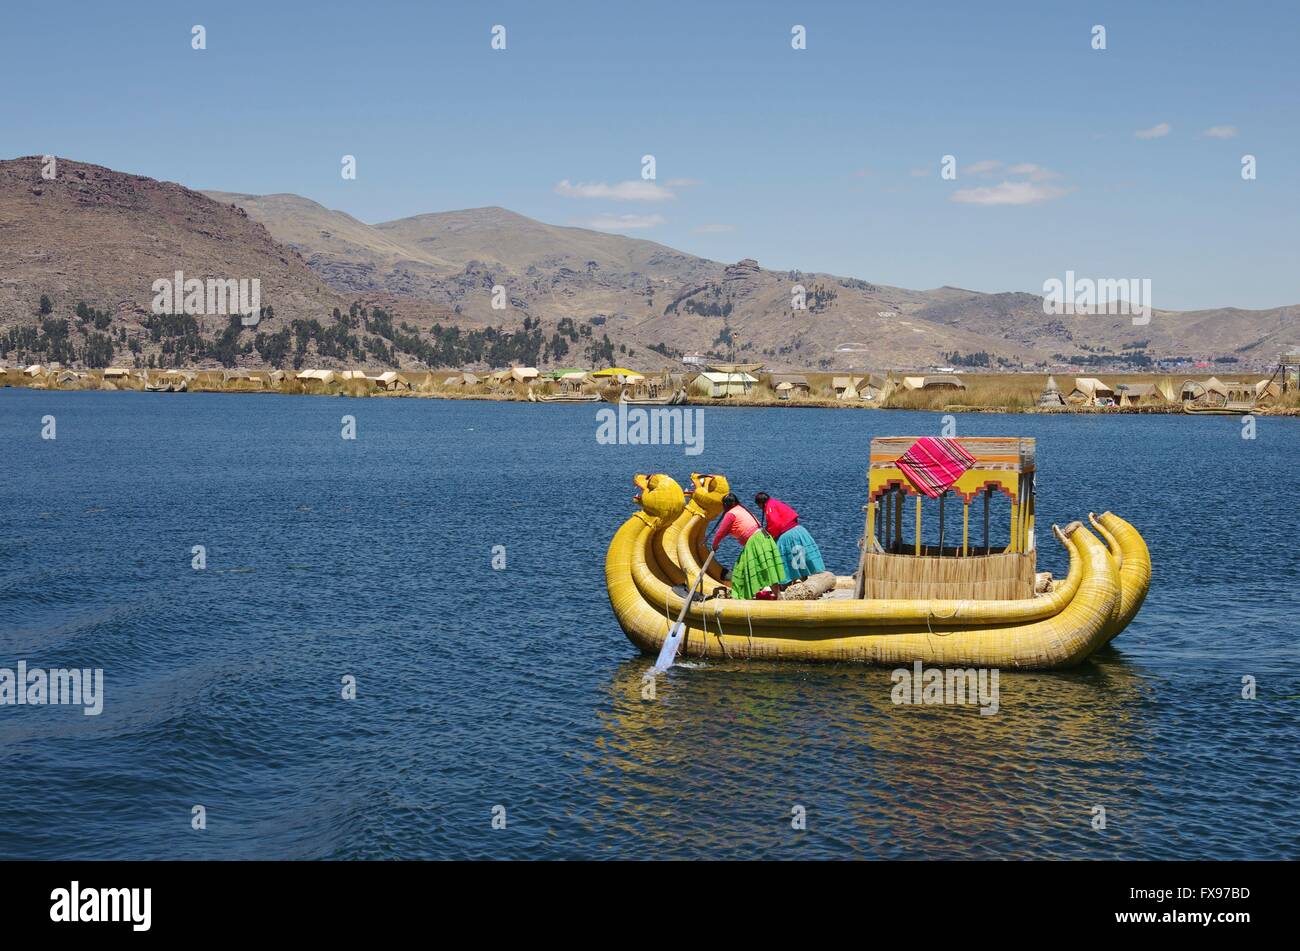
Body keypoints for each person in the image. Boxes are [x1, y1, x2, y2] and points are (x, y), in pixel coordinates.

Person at [711, 493, 787, 600]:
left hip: (755, 541)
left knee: (741, 569)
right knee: (766, 568)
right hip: (763, 536)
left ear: (725, 505)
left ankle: (742, 597)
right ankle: (777, 595)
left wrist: (714, 545)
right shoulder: (742, 509)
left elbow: (720, 532)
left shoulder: (731, 514)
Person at [754, 491, 826, 584]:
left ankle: (786, 581)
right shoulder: (775, 502)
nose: (759, 508)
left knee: (781, 557)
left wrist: (769, 534)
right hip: (799, 530)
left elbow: (775, 523)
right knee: (800, 556)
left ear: (760, 503)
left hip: (788, 534)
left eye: (758, 506)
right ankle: (802, 578)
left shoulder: (769, 507)